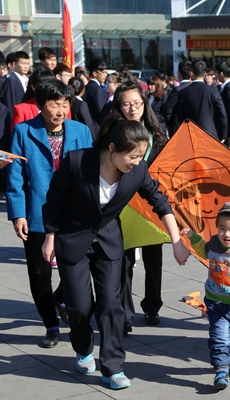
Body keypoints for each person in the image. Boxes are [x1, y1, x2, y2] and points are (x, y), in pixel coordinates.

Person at [41, 118, 190, 390]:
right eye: (131, 156)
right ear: (112, 148)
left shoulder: (138, 170)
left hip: (108, 241)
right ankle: (83, 348)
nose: (136, 161)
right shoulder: (77, 162)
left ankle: (113, 368)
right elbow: (53, 200)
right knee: (80, 307)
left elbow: (161, 203)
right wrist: (49, 237)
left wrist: (177, 241)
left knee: (111, 304)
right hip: (72, 238)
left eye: (140, 156)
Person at [6, 80, 93, 348]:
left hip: (72, 213)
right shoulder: (23, 132)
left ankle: (62, 298)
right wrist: (17, 214)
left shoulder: (81, 130)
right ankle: (51, 325)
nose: (60, 110)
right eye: (54, 104)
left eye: (65, 104)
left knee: (76, 269)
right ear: (40, 105)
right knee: (39, 273)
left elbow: (90, 172)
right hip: (37, 213)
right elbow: (15, 177)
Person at [107, 80, 169, 333]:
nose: (133, 108)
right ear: (119, 107)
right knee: (125, 259)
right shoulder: (113, 131)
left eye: (137, 103)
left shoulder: (158, 129)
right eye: (126, 104)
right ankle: (125, 313)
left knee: (154, 258)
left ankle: (152, 305)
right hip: (124, 203)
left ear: (145, 103)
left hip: (151, 200)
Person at [181, 202, 230, 391]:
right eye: (222, 228)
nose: (226, 234)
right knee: (220, 339)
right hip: (216, 304)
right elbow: (203, 251)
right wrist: (193, 237)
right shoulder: (215, 244)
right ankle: (221, 370)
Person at [174, 60, 228, 140]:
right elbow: (222, 114)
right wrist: (223, 135)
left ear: (191, 73)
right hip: (210, 135)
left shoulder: (183, 93)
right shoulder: (213, 91)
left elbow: (179, 117)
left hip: (190, 136)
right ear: (204, 73)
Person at [2, 51, 30, 123]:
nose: (26, 66)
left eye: (27, 64)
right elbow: (11, 104)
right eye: (23, 63)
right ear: (14, 64)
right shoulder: (11, 80)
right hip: (17, 121)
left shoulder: (23, 80)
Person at [83, 58, 107, 124]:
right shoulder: (98, 89)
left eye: (106, 72)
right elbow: (101, 111)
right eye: (103, 72)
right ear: (94, 73)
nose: (105, 75)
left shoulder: (86, 87)